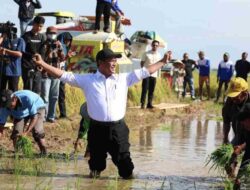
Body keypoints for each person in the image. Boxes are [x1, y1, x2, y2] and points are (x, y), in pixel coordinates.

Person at [33, 48, 170, 179]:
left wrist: (163, 61)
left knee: (126, 167)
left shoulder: (124, 78)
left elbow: (146, 71)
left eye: (115, 60)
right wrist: (42, 64)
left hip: (118, 129)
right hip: (97, 129)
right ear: (100, 62)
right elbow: (64, 75)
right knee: (95, 167)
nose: (114, 63)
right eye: (111, 60)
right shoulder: (88, 80)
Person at [0, 89, 46, 154]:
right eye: (6, 106)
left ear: (15, 99)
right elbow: (1, 127)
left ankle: (44, 153)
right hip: (20, 113)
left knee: (37, 131)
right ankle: (18, 154)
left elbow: (34, 117)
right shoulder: (4, 106)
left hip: (38, 106)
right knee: (16, 133)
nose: (9, 108)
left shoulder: (27, 98)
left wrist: (26, 132)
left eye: (10, 105)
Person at [41, 26, 65, 123]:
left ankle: (51, 116)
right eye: (51, 33)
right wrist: (50, 49)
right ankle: (44, 117)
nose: (52, 35)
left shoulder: (58, 44)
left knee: (54, 96)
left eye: (54, 33)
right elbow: (43, 58)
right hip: (46, 73)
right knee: (45, 97)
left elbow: (62, 58)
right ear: (47, 34)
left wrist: (59, 49)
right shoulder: (44, 44)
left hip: (56, 73)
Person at [21, 16, 46, 95]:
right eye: (37, 25)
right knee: (28, 90)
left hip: (37, 67)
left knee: (37, 91)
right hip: (27, 66)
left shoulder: (42, 37)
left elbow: (43, 52)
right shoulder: (26, 36)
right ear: (34, 24)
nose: (39, 28)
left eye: (41, 26)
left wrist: (41, 64)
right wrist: (32, 56)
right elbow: (22, 51)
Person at [222, 77, 250, 145]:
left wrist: (242, 147)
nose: (233, 99)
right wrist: (225, 138)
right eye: (231, 96)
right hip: (238, 134)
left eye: (236, 96)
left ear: (244, 93)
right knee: (231, 151)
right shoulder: (229, 102)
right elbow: (226, 121)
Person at [0, 23, 25, 92]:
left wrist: (6, 50)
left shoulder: (20, 40)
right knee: (1, 91)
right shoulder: (4, 40)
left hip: (14, 71)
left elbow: (19, 54)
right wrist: (2, 36)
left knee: (13, 92)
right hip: (3, 70)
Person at [230, 103, 250, 189]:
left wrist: (242, 147)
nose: (243, 125)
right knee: (241, 177)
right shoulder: (244, 127)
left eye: (245, 122)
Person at [140, 40, 161, 109]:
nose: (155, 46)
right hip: (146, 73)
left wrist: (158, 74)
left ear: (158, 46)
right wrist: (143, 71)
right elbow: (142, 63)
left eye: (156, 45)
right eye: (154, 45)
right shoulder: (146, 53)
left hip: (154, 74)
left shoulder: (159, 55)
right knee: (144, 89)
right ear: (151, 45)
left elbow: (159, 65)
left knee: (151, 90)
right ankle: (142, 104)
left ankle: (149, 104)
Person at [57, 32, 73, 118]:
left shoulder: (66, 48)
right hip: (56, 74)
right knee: (55, 95)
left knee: (61, 94)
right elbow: (61, 60)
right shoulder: (59, 46)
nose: (68, 42)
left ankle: (63, 114)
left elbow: (64, 63)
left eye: (69, 41)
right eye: (66, 40)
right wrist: (67, 56)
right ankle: (50, 115)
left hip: (63, 74)